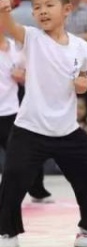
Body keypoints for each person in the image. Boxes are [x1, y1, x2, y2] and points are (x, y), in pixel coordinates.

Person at [0, 0, 87, 247]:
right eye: (37, 8)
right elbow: (11, 28)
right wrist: (4, 12)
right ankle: (6, 233)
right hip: (30, 128)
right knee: (14, 177)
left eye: (49, 6)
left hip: (66, 130)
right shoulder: (32, 38)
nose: (42, 12)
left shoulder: (80, 46)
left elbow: (86, 77)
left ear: (66, 10)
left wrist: (83, 84)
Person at [0, 31, 52, 203]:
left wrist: (22, 77)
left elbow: (32, 74)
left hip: (12, 109)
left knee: (26, 151)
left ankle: (37, 190)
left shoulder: (16, 48)